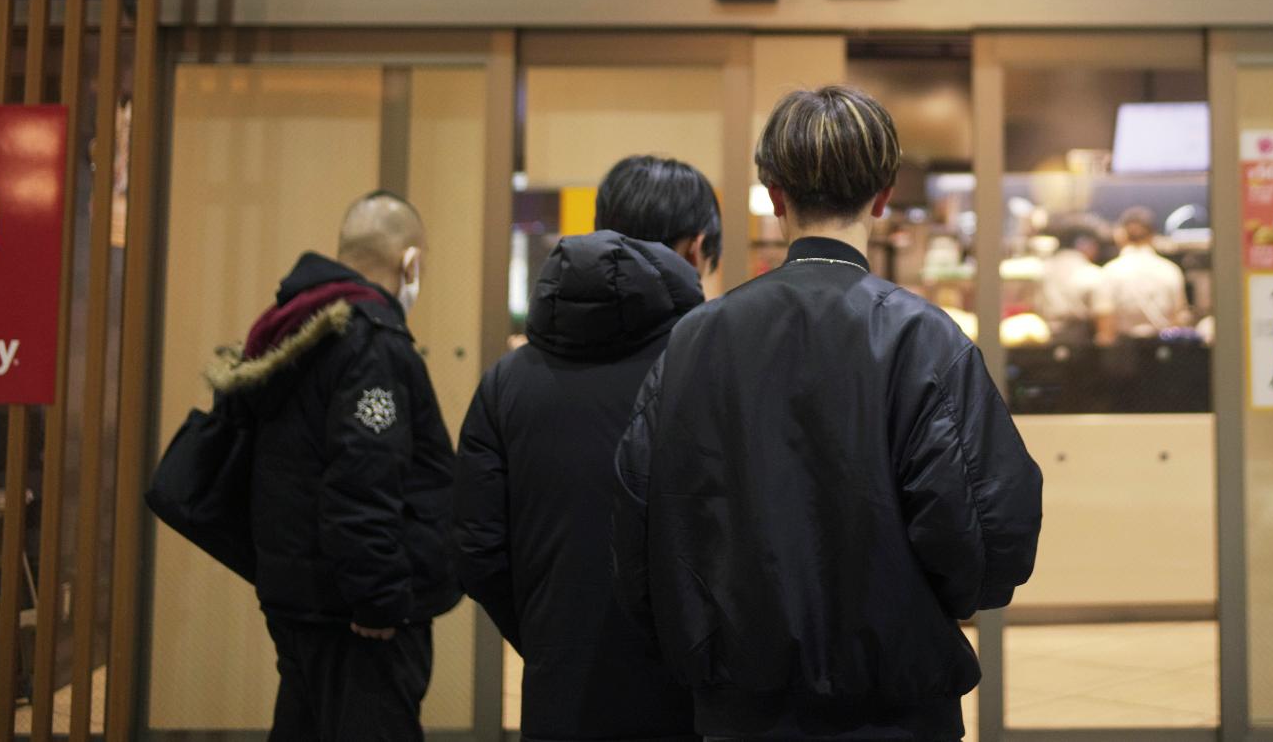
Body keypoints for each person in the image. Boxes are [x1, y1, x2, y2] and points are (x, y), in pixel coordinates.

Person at [615, 86, 1043, 740]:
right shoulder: (925, 338)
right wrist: (934, 601)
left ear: (774, 195)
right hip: (898, 704)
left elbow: (639, 523)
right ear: (882, 195)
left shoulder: (697, 336)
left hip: (739, 707)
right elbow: (991, 534)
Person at [453, 155, 716, 742]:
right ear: (697, 250)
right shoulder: (714, 369)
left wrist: (551, 636)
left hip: (559, 698)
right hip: (694, 704)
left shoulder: (506, 382)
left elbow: (476, 547)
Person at [205, 191, 460, 742]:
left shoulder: (297, 328)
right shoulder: (370, 344)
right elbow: (363, 479)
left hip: (301, 599)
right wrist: (378, 599)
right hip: (357, 622)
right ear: (410, 262)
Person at [1095, 207, 1189, 341]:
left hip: (1124, 351)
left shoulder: (1111, 271)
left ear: (1121, 235)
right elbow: (1178, 318)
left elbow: (1106, 320)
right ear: (1153, 236)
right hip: (1162, 350)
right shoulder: (1170, 270)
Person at [1034, 214, 1107, 346]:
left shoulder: (1041, 269)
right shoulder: (1091, 272)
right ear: (1084, 243)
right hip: (1081, 345)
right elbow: (1104, 318)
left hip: (1041, 343)